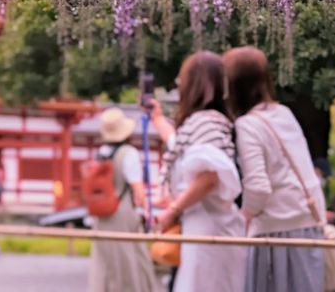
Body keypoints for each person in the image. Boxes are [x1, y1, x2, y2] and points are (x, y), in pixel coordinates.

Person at [223, 46, 325, 292]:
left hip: (276, 232)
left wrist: (242, 219)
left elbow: (258, 187)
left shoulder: (248, 125)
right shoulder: (283, 113)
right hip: (308, 224)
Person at [152, 51, 246, 292]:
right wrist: (158, 120)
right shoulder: (205, 122)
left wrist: (173, 211)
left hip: (209, 227)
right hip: (206, 225)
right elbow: (181, 148)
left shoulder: (206, 121)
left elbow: (209, 177)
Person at [88, 107, 161, 292]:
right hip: (121, 210)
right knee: (130, 256)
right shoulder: (128, 153)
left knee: (104, 258)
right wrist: (147, 210)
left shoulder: (101, 153)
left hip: (102, 212)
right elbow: (137, 187)